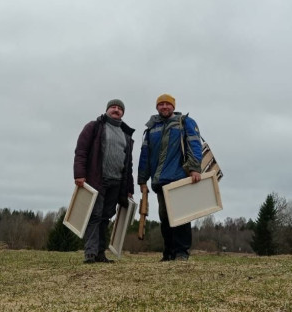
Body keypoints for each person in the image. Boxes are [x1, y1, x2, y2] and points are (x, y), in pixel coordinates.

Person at [137, 94, 202, 261]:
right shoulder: (151, 128)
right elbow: (145, 155)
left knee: (180, 216)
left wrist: (195, 168)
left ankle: (182, 253)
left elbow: (195, 144)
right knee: (165, 218)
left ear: (173, 106)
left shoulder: (185, 122)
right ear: (157, 107)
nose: (164, 107)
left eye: (167, 104)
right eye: (161, 104)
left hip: (179, 177)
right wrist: (142, 180)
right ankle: (168, 253)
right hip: (160, 181)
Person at [73, 99, 135, 263]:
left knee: (106, 217)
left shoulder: (126, 135)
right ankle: (90, 253)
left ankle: (101, 253)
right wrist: (79, 174)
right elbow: (81, 151)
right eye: (113, 107)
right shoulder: (94, 127)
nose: (116, 110)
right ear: (107, 110)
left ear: (123, 113)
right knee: (95, 215)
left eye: (119, 108)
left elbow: (128, 164)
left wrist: (129, 188)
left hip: (117, 183)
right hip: (97, 180)